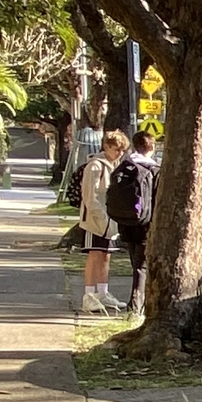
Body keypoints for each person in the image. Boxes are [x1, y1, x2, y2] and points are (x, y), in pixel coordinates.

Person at [107, 130, 161, 318]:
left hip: (127, 222)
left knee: (135, 263)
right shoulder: (154, 171)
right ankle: (136, 306)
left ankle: (136, 304)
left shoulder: (125, 167)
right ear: (152, 147)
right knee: (142, 266)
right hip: (147, 224)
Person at [78, 130, 128, 313]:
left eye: (122, 150)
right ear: (106, 147)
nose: (119, 153)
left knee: (106, 254)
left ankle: (102, 292)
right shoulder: (95, 166)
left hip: (109, 219)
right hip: (94, 220)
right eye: (116, 149)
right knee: (95, 254)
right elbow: (90, 197)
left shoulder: (114, 166)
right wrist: (101, 218)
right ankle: (89, 295)